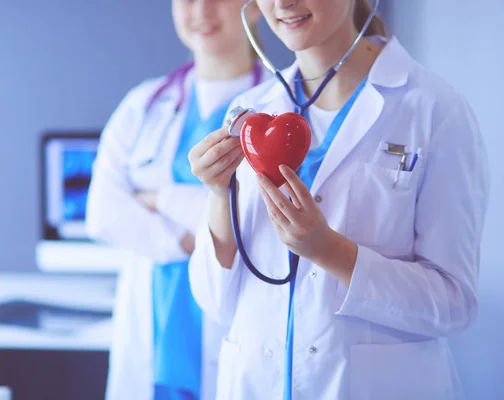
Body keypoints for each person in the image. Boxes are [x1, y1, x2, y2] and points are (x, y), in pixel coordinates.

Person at [187, 0, 490, 399]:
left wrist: (328, 250)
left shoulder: (435, 110)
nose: (283, 3)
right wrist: (218, 192)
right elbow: (215, 303)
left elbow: (454, 303)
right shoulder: (250, 113)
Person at [85, 1, 270, 399]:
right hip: (151, 315)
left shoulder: (277, 109)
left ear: (255, 7)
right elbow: (103, 213)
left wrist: (155, 198)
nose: (201, 10)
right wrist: (198, 237)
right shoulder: (144, 104)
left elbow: (263, 219)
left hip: (236, 316)